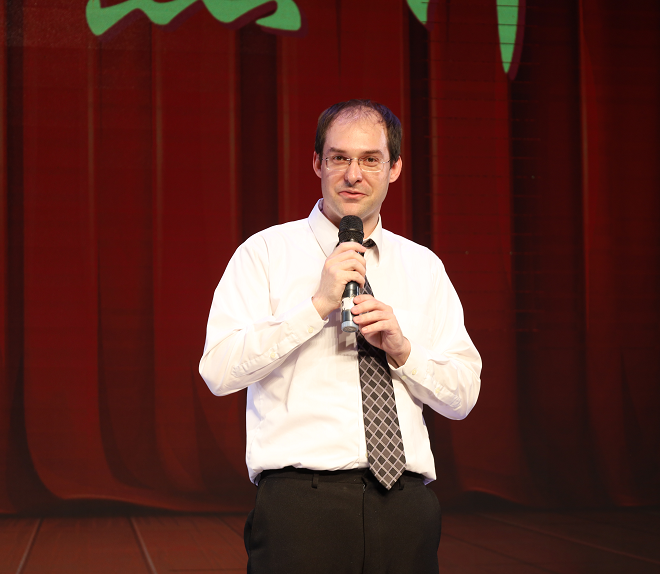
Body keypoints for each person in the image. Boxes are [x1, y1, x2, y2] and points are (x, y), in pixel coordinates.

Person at [198, 99, 481, 573]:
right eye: (339, 158)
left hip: (405, 506)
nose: (353, 174)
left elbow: (463, 396)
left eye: (370, 159)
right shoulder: (265, 253)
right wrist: (316, 307)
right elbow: (219, 370)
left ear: (394, 168)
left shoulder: (424, 267)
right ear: (317, 163)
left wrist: (403, 350)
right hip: (301, 507)